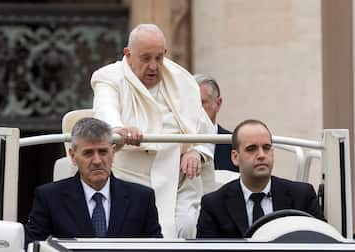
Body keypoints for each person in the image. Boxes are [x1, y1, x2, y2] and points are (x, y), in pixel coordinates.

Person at [91, 24, 215, 238]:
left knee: (187, 226)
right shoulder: (109, 77)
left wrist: (196, 151)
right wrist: (118, 129)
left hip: (180, 181)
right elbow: (105, 110)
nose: (153, 66)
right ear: (128, 55)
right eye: (146, 58)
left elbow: (205, 131)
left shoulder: (182, 80)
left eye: (159, 58)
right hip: (132, 179)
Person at [24, 118, 162, 246]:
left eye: (103, 152)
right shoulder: (49, 198)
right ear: (73, 156)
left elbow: (157, 248)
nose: (97, 161)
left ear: (113, 152)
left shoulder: (142, 198)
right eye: (88, 153)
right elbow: (33, 246)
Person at [196, 119, 325, 238]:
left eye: (266, 148)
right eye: (251, 149)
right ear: (235, 157)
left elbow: (324, 244)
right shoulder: (214, 205)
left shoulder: (302, 196)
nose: (261, 155)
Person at [194, 74, 238, 172]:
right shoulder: (178, 143)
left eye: (201, 103)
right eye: (191, 103)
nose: (195, 109)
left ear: (218, 104)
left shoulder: (234, 144)